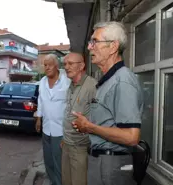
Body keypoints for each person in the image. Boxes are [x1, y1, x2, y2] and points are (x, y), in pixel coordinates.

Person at [72, 21, 143, 185]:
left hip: (112, 165)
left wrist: (90, 127)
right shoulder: (108, 80)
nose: (90, 47)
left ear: (113, 47)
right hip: (101, 161)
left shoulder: (123, 81)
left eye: (95, 41)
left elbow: (131, 137)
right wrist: (86, 125)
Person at [61, 52, 97, 185]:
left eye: (70, 63)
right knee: (66, 181)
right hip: (67, 144)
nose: (66, 67)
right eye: (65, 64)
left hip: (80, 147)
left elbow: (99, 118)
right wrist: (64, 139)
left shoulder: (92, 86)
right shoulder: (71, 85)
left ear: (81, 66)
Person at [36, 54, 71, 185]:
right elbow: (41, 100)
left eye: (49, 65)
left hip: (60, 130)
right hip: (46, 128)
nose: (47, 67)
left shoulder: (66, 80)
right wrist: (38, 118)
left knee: (59, 163)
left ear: (56, 66)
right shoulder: (43, 81)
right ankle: (52, 182)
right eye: (45, 65)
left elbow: (71, 104)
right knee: (48, 161)